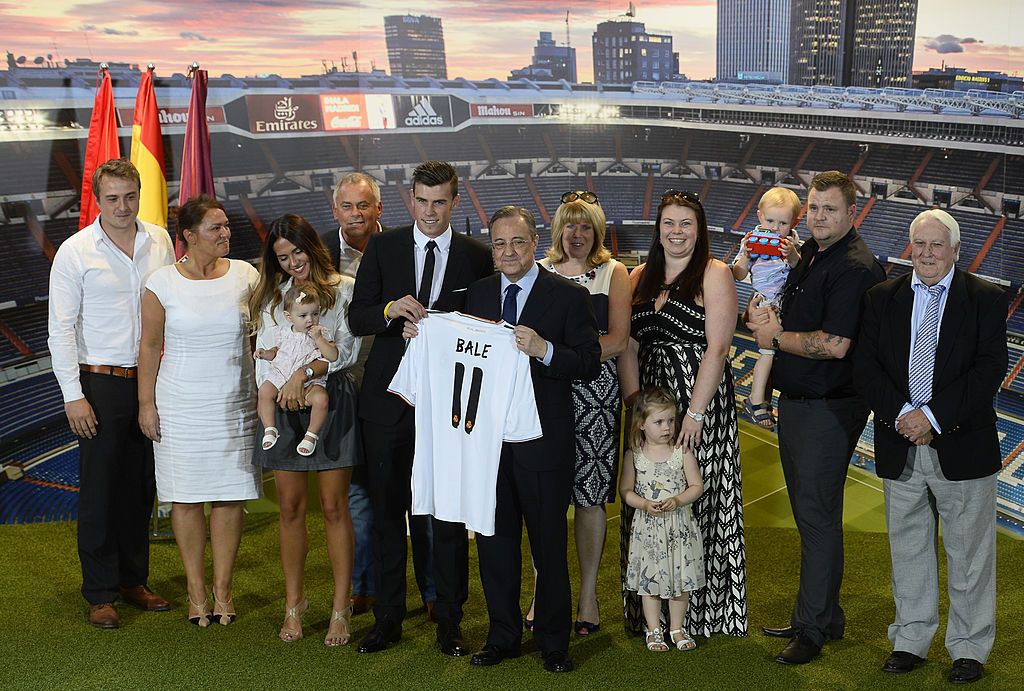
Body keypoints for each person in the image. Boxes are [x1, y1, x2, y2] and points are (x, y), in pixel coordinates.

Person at [854, 209, 1006, 684]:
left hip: (962, 445)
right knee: (908, 548)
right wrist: (905, 415)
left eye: (936, 244)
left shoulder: (984, 298)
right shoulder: (883, 297)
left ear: (956, 250)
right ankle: (911, 639)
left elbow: (988, 370)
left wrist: (932, 418)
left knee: (970, 555)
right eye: (919, 243)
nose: (926, 253)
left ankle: (969, 648)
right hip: (900, 442)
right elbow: (866, 366)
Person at [348, 161, 492, 655]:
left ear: (455, 202)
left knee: (448, 516)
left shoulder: (477, 256)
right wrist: (391, 313)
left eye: (440, 202)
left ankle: (449, 621)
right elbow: (357, 316)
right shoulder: (383, 247)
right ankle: (387, 618)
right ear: (410, 199)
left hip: (449, 407)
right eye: (422, 201)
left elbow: (485, 327)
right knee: (388, 514)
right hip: (387, 403)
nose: (430, 212)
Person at [746, 170, 885, 664]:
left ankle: (812, 630)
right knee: (813, 519)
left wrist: (773, 338)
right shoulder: (812, 252)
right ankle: (822, 616)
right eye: (815, 207)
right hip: (802, 403)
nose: (820, 216)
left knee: (817, 519)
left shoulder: (854, 266)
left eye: (831, 208)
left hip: (828, 406)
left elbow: (835, 344)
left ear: (851, 212)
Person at [464, 206, 601, 674]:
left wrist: (545, 350)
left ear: (535, 242)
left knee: (548, 547)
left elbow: (588, 362)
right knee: (494, 545)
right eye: (499, 243)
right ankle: (502, 636)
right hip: (488, 445)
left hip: (543, 443)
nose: (508, 252)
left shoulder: (567, 296)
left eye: (518, 242)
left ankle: (553, 642)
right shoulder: (477, 295)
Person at [47, 158, 173, 629]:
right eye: (113, 198)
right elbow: (60, 329)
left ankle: (133, 580)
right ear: (98, 200)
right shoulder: (75, 251)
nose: (123, 206)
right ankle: (100, 593)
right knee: (101, 491)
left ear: (139, 194)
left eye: (130, 196)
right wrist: (73, 395)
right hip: (99, 384)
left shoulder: (160, 239)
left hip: (152, 380)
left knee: (140, 487)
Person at [618, 189, 745, 639]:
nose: (677, 232)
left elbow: (718, 348)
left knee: (698, 504)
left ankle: (702, 617)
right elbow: (628, 344)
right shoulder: (638, 277)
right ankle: (649, 618)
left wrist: (694, 413)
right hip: (648, 407)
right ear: (658, 229)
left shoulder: (714, 273)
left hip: (698, 405)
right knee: (647, 499)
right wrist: (634, 406)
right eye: (669, 223)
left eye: (686, 223)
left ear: (699, 229)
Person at [137, 194, 261, 627]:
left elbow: (263, 336)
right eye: (216, 227)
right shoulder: (160, 283)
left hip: (236, 403)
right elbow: (149, 346)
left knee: (230, 496)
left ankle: (223, 591)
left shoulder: (246, 276)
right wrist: (146, 404)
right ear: (189, 236)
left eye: (226, 225)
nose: (226, 233)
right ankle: (196, 592)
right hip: (179, 404)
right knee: (186, 499)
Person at [322, 172, 437, 619]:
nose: (356, 214)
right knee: (360, 495)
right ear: (335, 210)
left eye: (363, 205)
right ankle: (365, 586)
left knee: (420, 493)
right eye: (347, 206)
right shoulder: (319, 255)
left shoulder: (402, 247)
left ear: (379, 208)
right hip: (343, 390)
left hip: (404, 389)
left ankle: (431, 590)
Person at [250, 213, 361, 644]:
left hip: (330, 401)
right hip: (283, 404)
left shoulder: (344, 288)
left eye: (297, 252)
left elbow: (347, 352)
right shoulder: (270, 298)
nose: (293, 262)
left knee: (334, 507)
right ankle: (294, 605)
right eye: (283, 257)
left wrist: (305, 373)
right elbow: (265, 354)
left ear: (311, 246)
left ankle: (340, 607)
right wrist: (282, 385)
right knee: (291, 509)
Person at [532, 190, 629, 635]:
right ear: (558, 229)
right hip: (543, 392)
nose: (577, 233)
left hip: (595, 394)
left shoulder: (613, 272)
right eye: (570, 224)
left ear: (597, 231)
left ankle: (588, 596)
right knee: (543, 498)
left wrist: (565, 358)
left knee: (590, 498)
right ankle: (543, 592)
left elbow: (619, 339)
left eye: (586, 225)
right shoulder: (538, 270)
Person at [621, 388, 705, 653]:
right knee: (651, 581)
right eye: (659, 422)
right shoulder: (634, 455)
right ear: (641, 424)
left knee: (680, 580)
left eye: (670, 420)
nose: (667, 427)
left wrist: (678, 500)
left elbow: (697, 485)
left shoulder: (682, 451)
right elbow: (626, 491)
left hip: (678, 529)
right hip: (648, 532)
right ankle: (653, 628)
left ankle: (677, 628)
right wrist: (645, 504)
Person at [730, 187, 802, 429]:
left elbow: (799, 269)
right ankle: (755, 399)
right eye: (770, 221)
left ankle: (765, 399)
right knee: (767, 352)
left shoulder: (793, 243)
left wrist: (792, 254)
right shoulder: (750, 240)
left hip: (787, 303)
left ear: (794, 223)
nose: (775, 228)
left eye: (782, 223)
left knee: (779, 353)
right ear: (760, 216)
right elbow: (738, 274)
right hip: (766, 303)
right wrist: (746, 256)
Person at [256, 285, 340, 457]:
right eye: (303, 316)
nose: (310, 320)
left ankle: (311, 435)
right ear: (289, 316)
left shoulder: (322, 333)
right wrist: (265, 354)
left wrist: (319, 339)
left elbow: (333, 356)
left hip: (310, 383)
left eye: (315, 314)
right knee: (264, 391)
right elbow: (277, 352)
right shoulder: (283, 332)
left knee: (321, 399)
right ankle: (270, 429)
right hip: (281, 377)